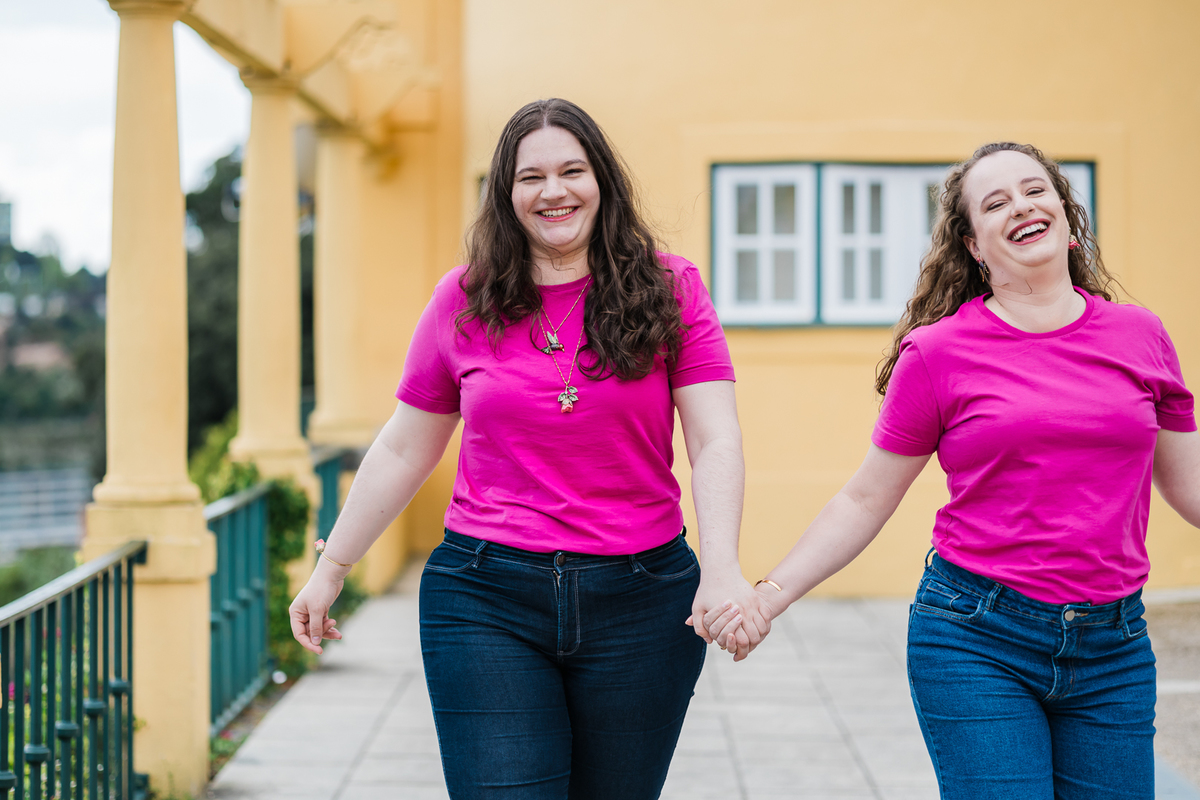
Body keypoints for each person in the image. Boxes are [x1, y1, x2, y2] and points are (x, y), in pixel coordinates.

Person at [289, 98, 767, 800]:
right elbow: (402, 449)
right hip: (485, 595)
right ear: (505, 195)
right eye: (530, 177)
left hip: (642, 600)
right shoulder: (463, 300)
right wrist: (332, 567)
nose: (553, 192)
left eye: (572, 170)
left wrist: (722, 568)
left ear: (601, 180)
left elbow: (714, 436)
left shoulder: (671, 289)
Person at [703, 142, 1200, 799]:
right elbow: (864, 498)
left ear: (1066, 212)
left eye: (1034, 190)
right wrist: (768, 597)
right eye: (996, 203)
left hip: (1114, 645)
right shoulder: (940, 353)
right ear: (974, 246)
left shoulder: (1141, 337)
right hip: (978, 638)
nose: (1020, 207)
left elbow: (1187, 484)